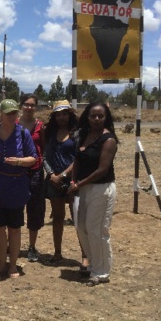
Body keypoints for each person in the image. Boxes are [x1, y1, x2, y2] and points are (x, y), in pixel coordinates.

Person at [0, 99, 37, 279]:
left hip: (16, 186)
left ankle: (13, 265)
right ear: (0, 113)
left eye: (14, 112)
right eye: (8, 113)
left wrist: (19, 161)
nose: (11, 116)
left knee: (14, 228)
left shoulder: (23, 133)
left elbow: (34, 158)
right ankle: (1, 265)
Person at [68, 102, 119, 286]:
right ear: (87, 117)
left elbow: (102, 170)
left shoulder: (109, 140)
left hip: (101, 188)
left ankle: (101, 271)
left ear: (106, 118)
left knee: (97, 230)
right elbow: (78, 161)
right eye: (93, 115)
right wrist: (74, 182)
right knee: (81, 227)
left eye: (100, 116)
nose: (96, 119)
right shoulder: (84, 136)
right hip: (83, 188)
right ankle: (92, 264)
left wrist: (78, 184)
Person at [42, 100, 79, 265]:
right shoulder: (49, 133)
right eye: (58, 114)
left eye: (64, 114)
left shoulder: (77, 133)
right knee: (58, 217)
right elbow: (44, 156)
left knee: (78, 217)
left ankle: (85, 254)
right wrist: (51, 174)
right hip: (54, 181)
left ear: (69, 115)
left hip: (73, 181)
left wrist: (63, 175)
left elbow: (79, 158)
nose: (61, 117)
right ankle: (57, 252)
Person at [17, 93, 46, 263]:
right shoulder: (13, 124)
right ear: (21, 106)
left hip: (35, 171)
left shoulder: (40, 126)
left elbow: (44, 146)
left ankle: (32, 246)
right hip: (17, 171)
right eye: (26, 104)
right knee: (16, 208)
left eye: (32, 105)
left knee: (34, 209)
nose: (29, 107)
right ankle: (14, 243)